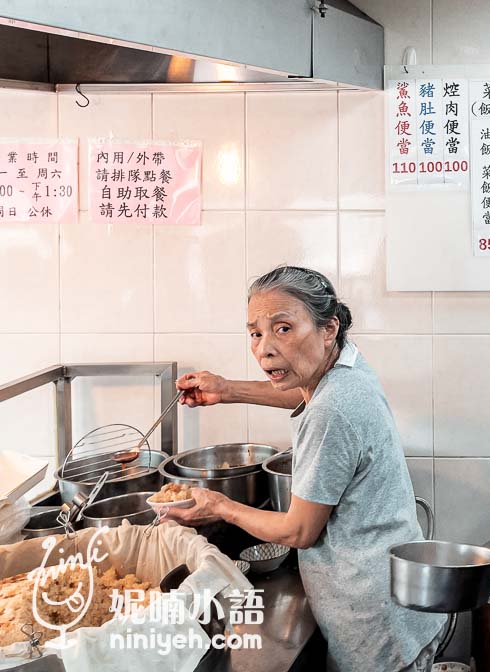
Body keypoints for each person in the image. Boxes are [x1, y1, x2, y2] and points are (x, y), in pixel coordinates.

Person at [164, 265, 444, 672]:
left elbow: (298, 530)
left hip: (375, 623)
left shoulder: (332, 408)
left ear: (328, 329)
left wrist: (219, 507)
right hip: (396, 596)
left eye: (283, 328)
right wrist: (226, 390)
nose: (264, 349)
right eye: (256, 333)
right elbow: (304, 389)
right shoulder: (346, 368)